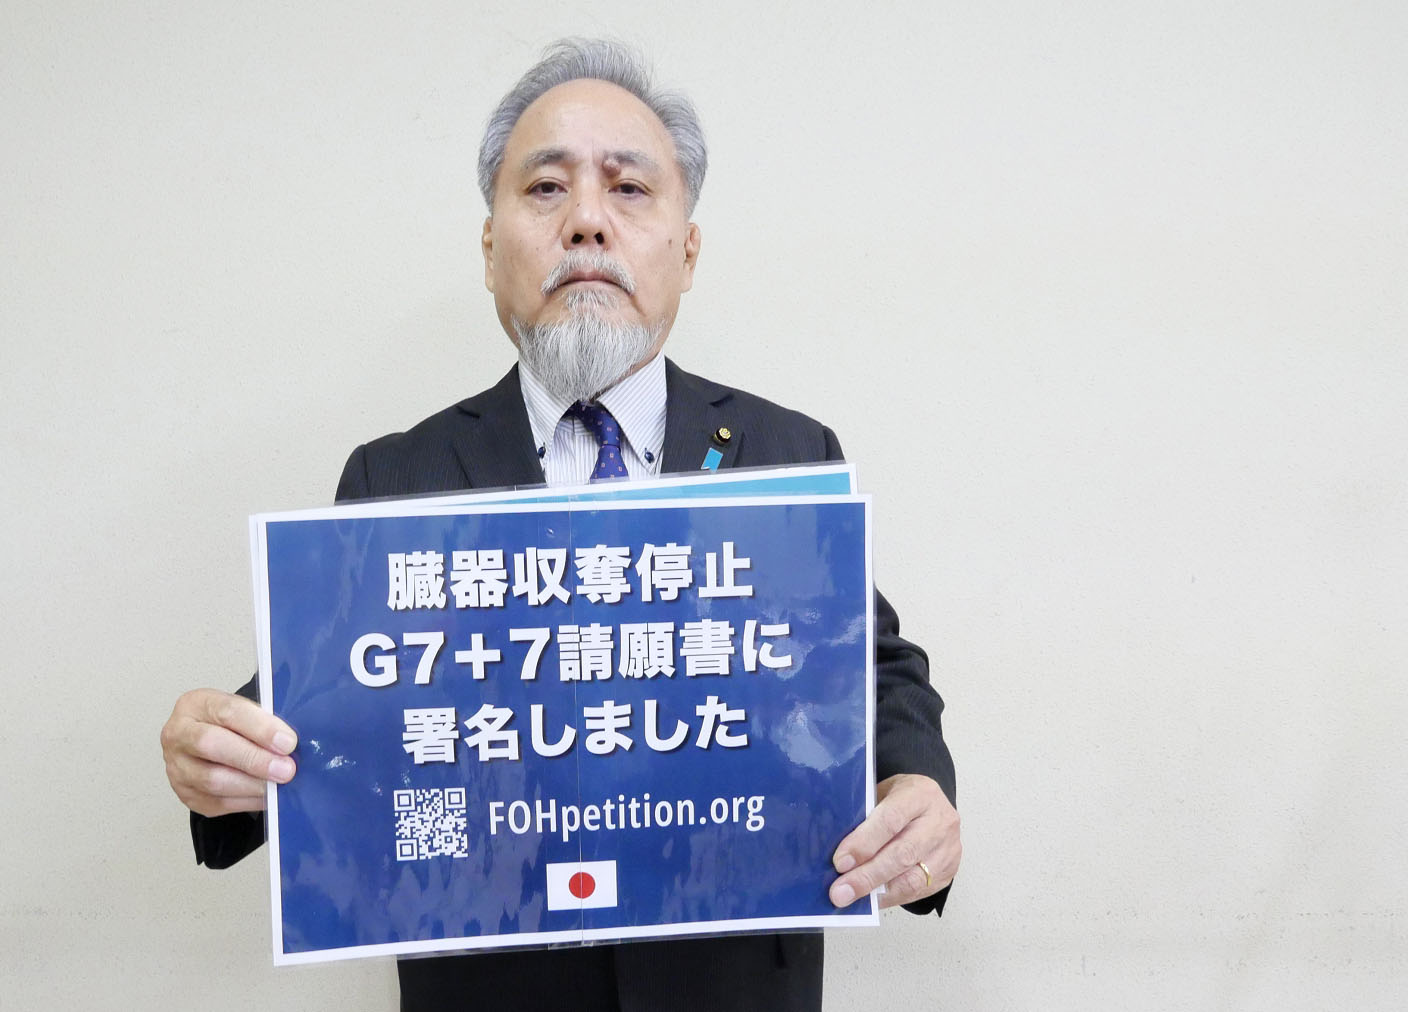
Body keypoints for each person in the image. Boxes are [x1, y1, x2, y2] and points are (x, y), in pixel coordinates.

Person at [161, 37, 959, 1012]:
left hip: (732, 980)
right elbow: (327, 706)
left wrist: (919, 782)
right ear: (490, 248)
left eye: (629, 188)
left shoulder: (786, 451)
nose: (586, 220)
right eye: (545, 189)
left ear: (687, 251)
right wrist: (220, 751)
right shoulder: (397, 476)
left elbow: (871, 664)